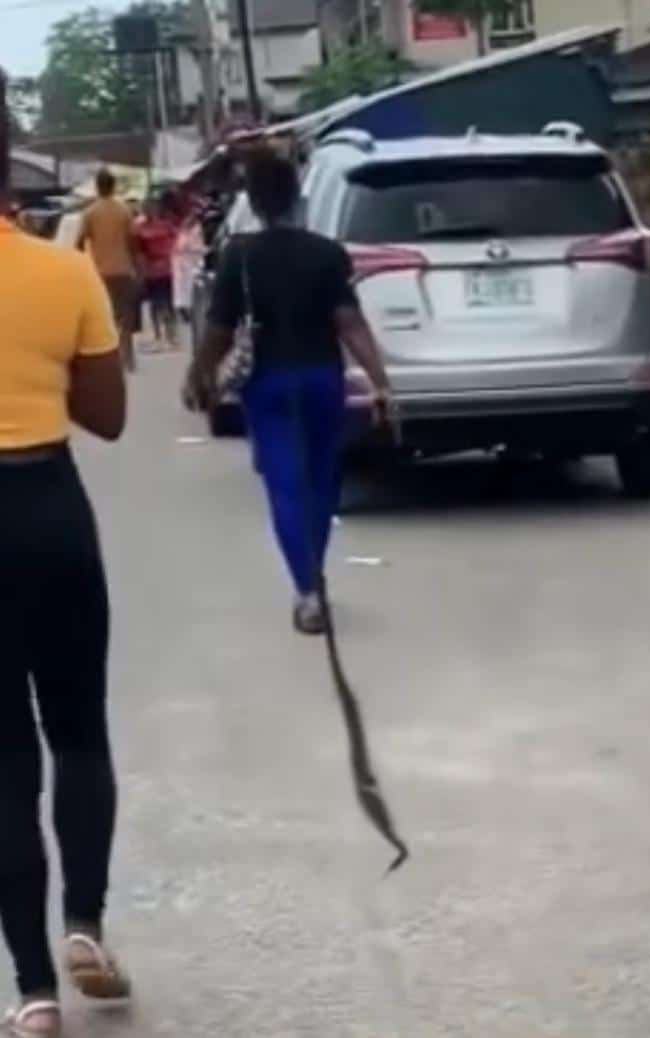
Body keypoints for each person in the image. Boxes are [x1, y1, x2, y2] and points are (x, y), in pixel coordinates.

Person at [0, 71, 130, 1038]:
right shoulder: (63, 270)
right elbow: (111, 417)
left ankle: (34, 989)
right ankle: (85, 922)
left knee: (3, 761)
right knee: (78, 730)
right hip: (49, 504)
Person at [183, 150, 394, 634]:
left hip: (270, 383)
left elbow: (218, 328)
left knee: (285, 484)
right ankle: (314, 576)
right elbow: (349, 322)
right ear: (298, 197)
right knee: (322, 482)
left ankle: (307, 590)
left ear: (254, 202)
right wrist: (380, 381)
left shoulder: (240, 255)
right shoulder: (326, 253)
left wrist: (199, 375)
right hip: (322, 378)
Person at [77, 168, 139, 371]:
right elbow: (133, 241)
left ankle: (111, 361)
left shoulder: (90, 212)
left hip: (100, 273)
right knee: (126, 317)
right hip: (124, 270)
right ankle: (128, 359)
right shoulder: (124, 210)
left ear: (97, 187)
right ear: (113, 186)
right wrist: (136, 267)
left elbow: (79, 243)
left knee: (106, 319)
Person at [134, 195, 179, 349]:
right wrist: (141, 271)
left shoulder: (166, 225)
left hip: (166, 269)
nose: (148, 210)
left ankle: (171, 335)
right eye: (146, 208)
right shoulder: (140, 228)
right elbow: (139, 252)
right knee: (155, 304)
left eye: (151, 207)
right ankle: (159, 335)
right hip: (151, 270)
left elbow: (176, 242)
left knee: (167, 303)